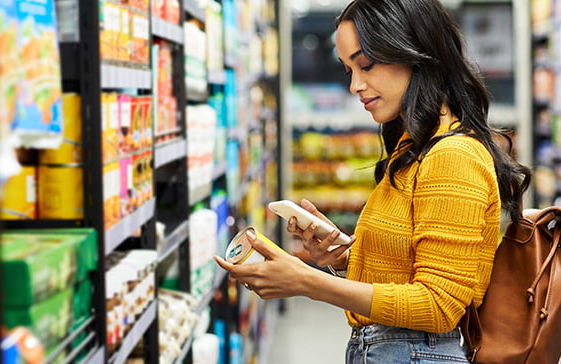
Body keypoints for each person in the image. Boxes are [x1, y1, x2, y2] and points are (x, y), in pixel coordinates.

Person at [213, 0, 532, 363]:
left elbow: (439, 305)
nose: (354, 85)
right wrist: (345, 258)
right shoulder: (415, 147)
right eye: (348, 69)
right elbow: (409, 269)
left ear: (416, 54)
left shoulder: (452, 157)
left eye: (365, 65)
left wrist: (308, 282)